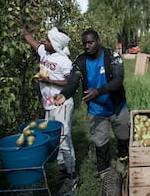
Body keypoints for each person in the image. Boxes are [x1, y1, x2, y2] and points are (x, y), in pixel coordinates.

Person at [53, 29, 129, 179]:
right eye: (84, 44)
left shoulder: (112, 56)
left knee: (124, 136)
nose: (87, 46)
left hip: (117, 106)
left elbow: (118, 81)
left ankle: (122, 158)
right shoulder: (80, 62)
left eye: (90, 42)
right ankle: (104, 170)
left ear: (98, 41)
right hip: (97, 109)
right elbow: (74, 81)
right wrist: (64, 94)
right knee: (100, 142)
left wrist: (98, 91)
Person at [23, 26, 79, 196]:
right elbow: (31, 40)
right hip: (49, 104)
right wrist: (20, 24)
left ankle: (72, 176)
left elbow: (70, 83)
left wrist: (49, 80)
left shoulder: (64, 61)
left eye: (47, 40)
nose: (44, 42)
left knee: (64, 138)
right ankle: (63, 172)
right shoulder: (44, 52)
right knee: (54, 140)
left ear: (54, 44)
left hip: (61, 104)